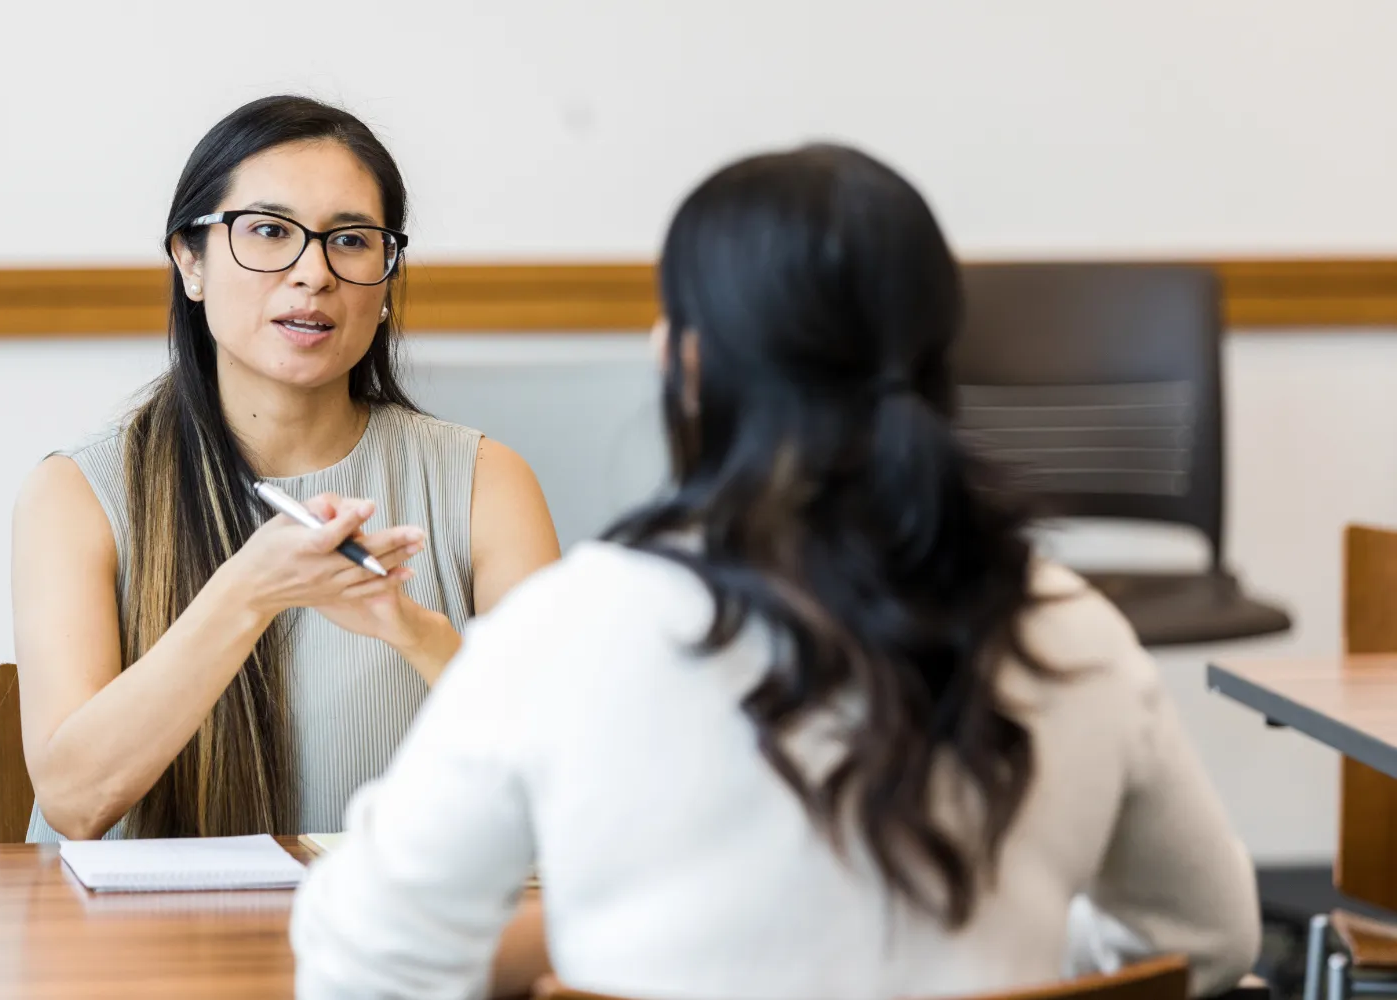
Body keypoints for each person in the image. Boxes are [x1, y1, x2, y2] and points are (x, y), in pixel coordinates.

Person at [290, 143, 1260, 1000]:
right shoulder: (1070, 626)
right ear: (940, 363)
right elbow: (1205, 943)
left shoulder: (574, 627)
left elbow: (362, 964)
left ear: (685, 362)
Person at [11, 95, 560, 848]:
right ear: (190, 261)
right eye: (269, 232)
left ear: (386, 278)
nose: (314, 273)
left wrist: (415, 632)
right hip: (137, 954)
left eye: (352, 241)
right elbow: (76, 802)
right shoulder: (75, 493)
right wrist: (252, 587)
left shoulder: (487, 481)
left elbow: (569, 774)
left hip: (393, 942)